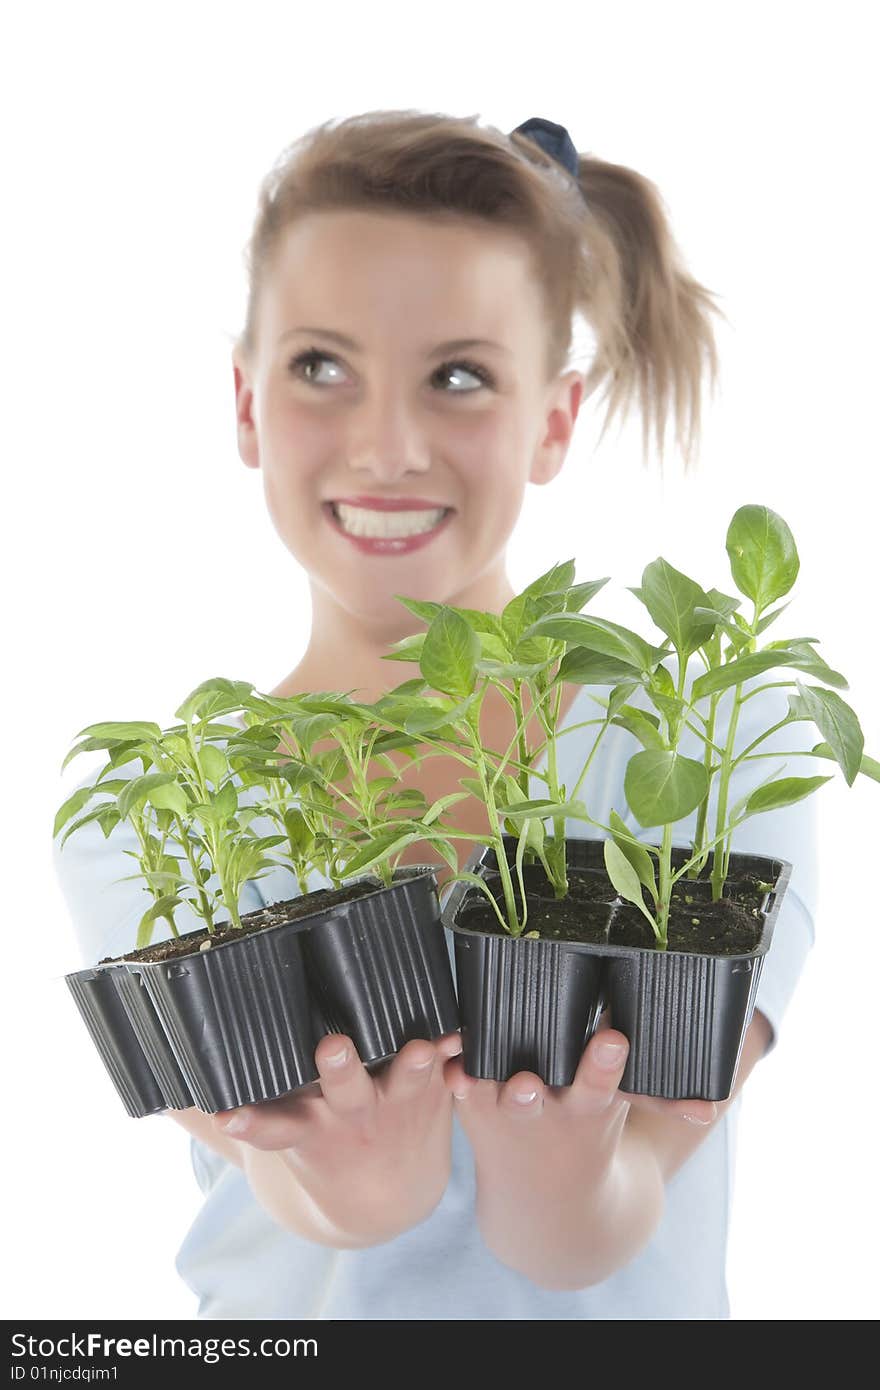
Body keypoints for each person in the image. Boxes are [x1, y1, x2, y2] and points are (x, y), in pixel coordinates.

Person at [53, 110, 818, 1318]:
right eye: (321, 366)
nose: (388, 444)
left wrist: (560, 1180)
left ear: (553, 419)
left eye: (458, 375)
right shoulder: (152, 815)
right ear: (246, 405)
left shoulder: (717, 752)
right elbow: (276, 1179)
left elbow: (612, 1211)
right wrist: (351, 1180)